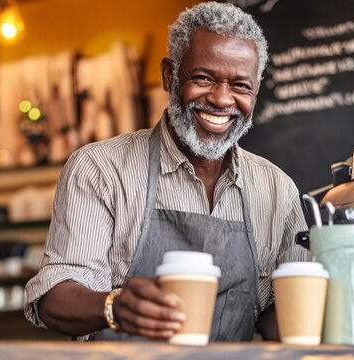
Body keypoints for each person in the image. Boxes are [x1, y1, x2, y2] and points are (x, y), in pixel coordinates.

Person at [24, 1, 309, 342]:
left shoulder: (277, 189)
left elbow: (279, 319)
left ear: (255, 92)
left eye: (240, 86)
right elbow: (54, 299)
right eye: (203, 78)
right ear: (169, 76)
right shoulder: (101, 169)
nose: (221, 99)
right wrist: (114, 306)